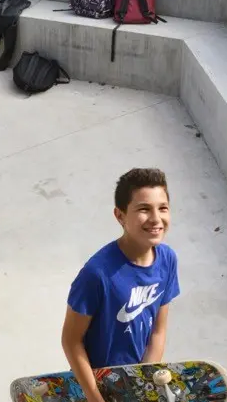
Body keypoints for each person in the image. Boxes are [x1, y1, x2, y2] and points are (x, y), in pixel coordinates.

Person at [61, 168, 180, 402]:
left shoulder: (167, 260)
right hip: (96, 385)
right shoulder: (97, 274)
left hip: (136, 383)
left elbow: (158, 329)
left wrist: (144, 381)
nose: (156, 219)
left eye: (163, 208)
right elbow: (71, 340)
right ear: (120, 216)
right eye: (144, 209)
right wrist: (95, 397)